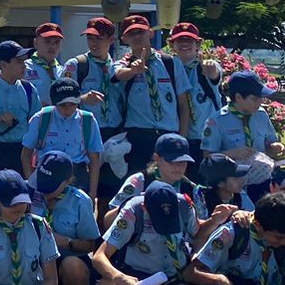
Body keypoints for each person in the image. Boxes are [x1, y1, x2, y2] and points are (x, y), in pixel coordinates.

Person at [112, 16, 191, 191]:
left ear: (150, 33)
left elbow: (183, 106)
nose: (137, 37)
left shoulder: (171, 63)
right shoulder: (123, 63)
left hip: (168, 136)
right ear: (124, 39)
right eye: (131, 34)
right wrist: (133, 70)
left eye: (140, 32)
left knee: (171, 187)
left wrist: (182, 138)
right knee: (137, 187)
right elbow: (118, 74)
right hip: (139, 137)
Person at [31, 153, 100, 285]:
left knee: (73, 266)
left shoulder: (80, 201)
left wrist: (67, 241)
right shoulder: (29, 192)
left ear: (68, 181)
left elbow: (90, 244)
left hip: (65, 259)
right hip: (35, 261)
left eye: (51, 186)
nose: (44, 191)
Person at [65, 17, 124, 204]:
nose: (93, 43)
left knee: (113, 190)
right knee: (85, 190)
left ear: (111, 40)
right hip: (86, 133)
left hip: (113, 134)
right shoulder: (76, 65)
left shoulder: (119, 68)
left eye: (99, 38)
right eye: (90, 38)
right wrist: (82, 99)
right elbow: (60, 100)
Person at [22, 77, 103, 193]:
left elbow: (94, 159)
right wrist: (31, 185)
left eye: (72, 104)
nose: (68, 108)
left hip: (77, 176)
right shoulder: (41, 118)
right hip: (47, 174)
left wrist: (92, 192)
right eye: (63, 105)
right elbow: (26, 154)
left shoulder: (88, 120)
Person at [167, 22, 220, 173]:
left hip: (205, 139)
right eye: (180, 41)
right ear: (172, 44)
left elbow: (215, 75)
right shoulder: (169, 69)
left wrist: (212, 71)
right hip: (178, 135)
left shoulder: (205, 66)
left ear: (198, 44)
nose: (185, 44)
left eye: (189, 41)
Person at [0, 41, 35, 190]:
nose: (24, 65)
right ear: (3, 65)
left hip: (22, 153)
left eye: (24, 61)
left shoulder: (29, 89)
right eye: (19, 61)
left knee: (20, 196)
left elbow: (36, 123)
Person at [202, 70, 285, 161]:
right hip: (232, 173)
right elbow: (207, 158)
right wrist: (230, 154)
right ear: (238, 97)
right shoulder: (216, 121)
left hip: (262, 171)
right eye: (254, 99)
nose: (261, 101)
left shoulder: (261, 115)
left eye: (261, 97)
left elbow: (271, 141)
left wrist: (275, 147)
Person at [23, 22, 65, 109]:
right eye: (47, 41)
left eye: (57, 42)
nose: (52, 46)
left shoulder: (63, 71)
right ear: (36, 43)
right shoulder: (24, 68)